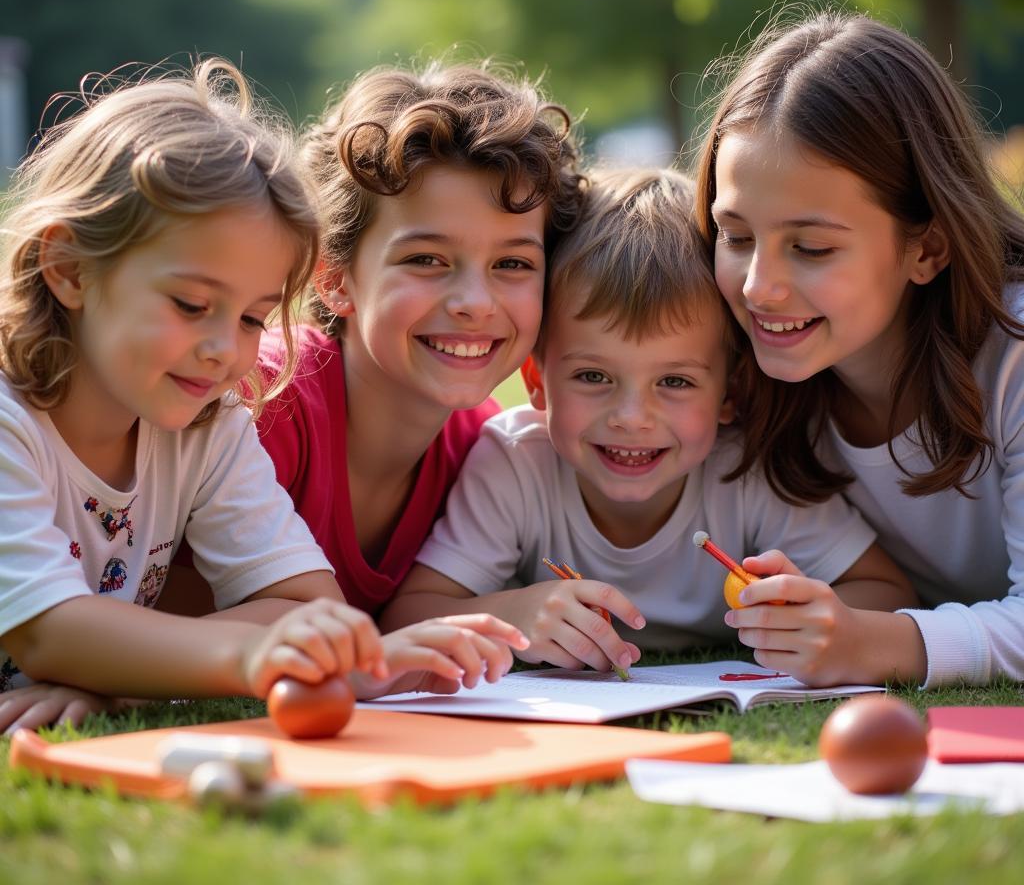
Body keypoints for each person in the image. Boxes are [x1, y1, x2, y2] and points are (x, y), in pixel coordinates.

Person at [0, 60, 527, 733]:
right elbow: (51, 632)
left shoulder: (204, 428)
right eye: (192, 304)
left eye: (253, 317)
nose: (225, 348)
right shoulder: (12, 424)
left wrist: (120, 679)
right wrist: (253, 655)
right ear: (69, 269)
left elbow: (306, 608)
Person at [382, 169, 915, 685]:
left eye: (676, 383)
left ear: (730, 393)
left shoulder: (747, 471)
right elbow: (409, 619)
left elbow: (889, 592)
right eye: (593, 376)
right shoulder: (515, 464)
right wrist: (513, 614)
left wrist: (809, 616)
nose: (632, 418)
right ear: (536, 380)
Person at [696, 9, 1024, 688]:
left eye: (811, 247)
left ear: (926, 247)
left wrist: (872, 641)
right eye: (736, 236)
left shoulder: (1013, 357)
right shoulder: (736, 370)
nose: (761, 287)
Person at [253, 60, 584, 614]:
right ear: (334, 278)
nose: (475, 303)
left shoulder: (484, 456)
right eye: (426, 259)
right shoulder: (267, 401)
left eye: (512, 263)